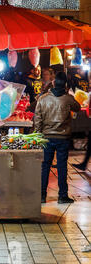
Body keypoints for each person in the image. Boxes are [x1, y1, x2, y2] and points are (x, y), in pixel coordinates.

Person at [34, 72, 82, 204]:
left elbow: (37, 119)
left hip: (46, 137)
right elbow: (77, 107)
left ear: (53, 83)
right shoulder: (67, 99)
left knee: (45, 166)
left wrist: (38, 136)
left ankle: (42, 196)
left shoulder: (43, 99)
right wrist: (69, 95)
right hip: (63, 138)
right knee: (62, 167)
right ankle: (62, 196)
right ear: (65, 84)